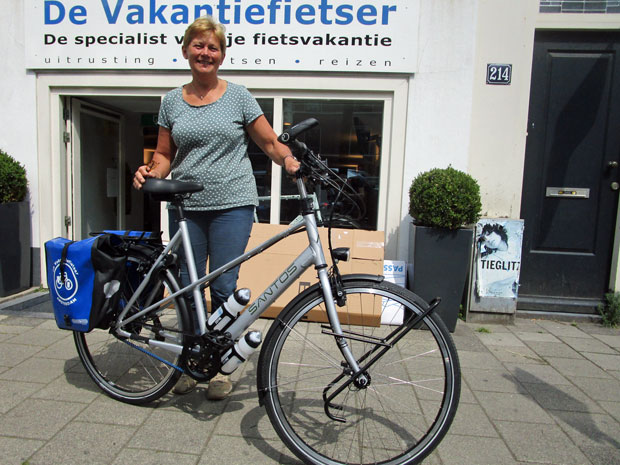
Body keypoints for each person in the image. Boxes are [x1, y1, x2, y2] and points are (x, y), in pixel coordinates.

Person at [133, 15, 299, 400]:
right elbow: (164, 155)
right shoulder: (171, 101)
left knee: (224, 286)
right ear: (186, 50)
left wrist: (290, 161)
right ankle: (193, 360)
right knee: (188, 288)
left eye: (213, 47)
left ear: (222, 55)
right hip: (186, 206)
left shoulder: (239, 96)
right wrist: (149, 171)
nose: (205, 53)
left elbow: (269, 142)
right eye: (199, 45)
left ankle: (223, 366)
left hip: (232, 204)